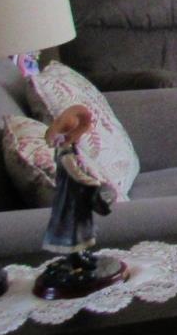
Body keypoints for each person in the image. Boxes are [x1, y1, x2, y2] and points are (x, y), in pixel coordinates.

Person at [35, 105, 126, 299]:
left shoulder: (68, 150)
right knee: (73, 224)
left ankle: (81, 254)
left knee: (81, 223)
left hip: (75, 194)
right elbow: (76, 173)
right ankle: (75, 257)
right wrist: (93, 182)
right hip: (72, 195)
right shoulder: (65, 154)